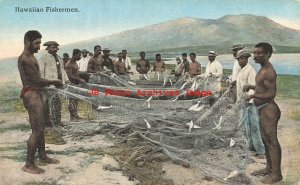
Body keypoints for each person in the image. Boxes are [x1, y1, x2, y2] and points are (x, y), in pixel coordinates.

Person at [18, 30, 62, 174]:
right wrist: (53, 81)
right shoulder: (26, 58)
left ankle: (42, 156)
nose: (39, 46)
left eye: (40, 43)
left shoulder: (31, 56)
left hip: (36, 93)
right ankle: (29, 164)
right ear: (28, 42)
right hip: (31, 95)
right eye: (36, 43)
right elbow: (36, 80)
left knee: (41, 127)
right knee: (37, 130)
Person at [244, 42, 282, 184]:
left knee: (272, 142)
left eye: (260, 53)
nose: (256, 56)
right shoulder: (263, 69)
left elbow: (271, 94)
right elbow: (262, 87)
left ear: (268, 54)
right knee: (266, 140)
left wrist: (253, 96)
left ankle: (277, 175)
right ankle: (268, 168)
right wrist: (252, 86)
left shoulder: (269, 71)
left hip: (268, 109)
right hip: (262, 109)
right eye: (255, 53)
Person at [235, 50, 265, 158]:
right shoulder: (241, 70)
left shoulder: (250, 70)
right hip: (242, 101)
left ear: (247, 59)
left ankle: (261, 150)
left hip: (250, 102)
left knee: (254, 125)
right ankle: (251, 146)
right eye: (238, 59)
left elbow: (254, 87)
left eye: (242, 58)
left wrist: (250, 100)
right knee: (246, 126)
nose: (240, 60)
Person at [39, 41, 69, 128]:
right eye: (53, 47)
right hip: (49, 85)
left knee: (57, 103)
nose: (55, 49)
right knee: (47, 104)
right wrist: (45, 84)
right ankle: (48, 123)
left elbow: (63, 71)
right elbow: (41, 73)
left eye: (56, 47)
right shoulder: (43, 58)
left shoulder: (59, 58)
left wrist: (66, 81)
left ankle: (58, 121)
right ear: (48, 48)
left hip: (59, 84)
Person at [65, 49, 85, 121]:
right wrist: (79, 79)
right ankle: (72, 117)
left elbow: (76, 72)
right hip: (71, 84)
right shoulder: (69, 63)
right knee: (72, 100)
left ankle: (75, 116)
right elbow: (69, 76)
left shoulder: (75, 62)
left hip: (76, 84)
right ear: (74, 54)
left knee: (75, 100)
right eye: (79, 55)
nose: (80, 57)